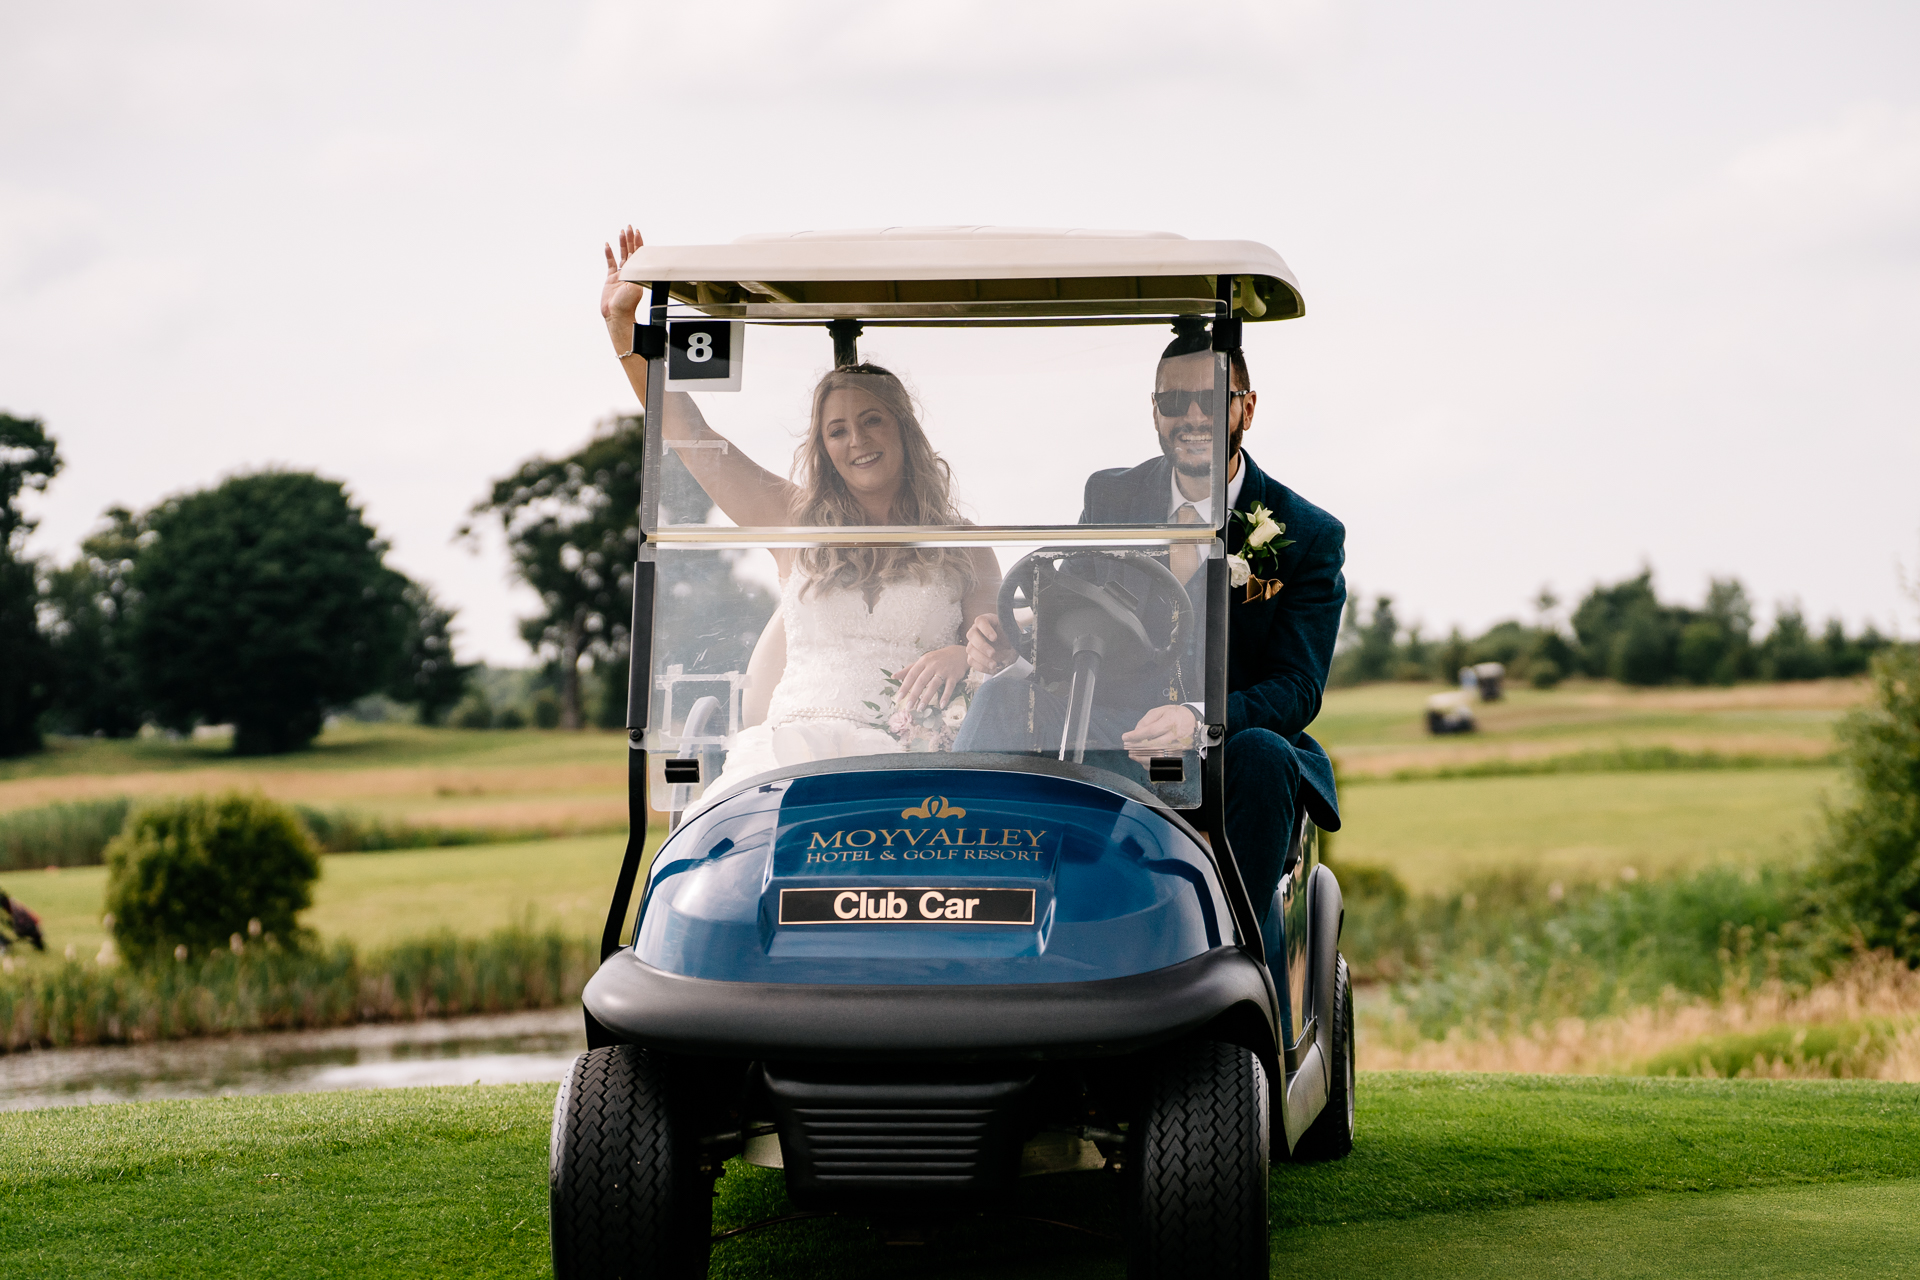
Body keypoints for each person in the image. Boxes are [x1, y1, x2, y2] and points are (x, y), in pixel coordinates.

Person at [954, 320, 1345, 912]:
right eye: (1173, 400)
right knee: (1003, 699)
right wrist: (1015, 639)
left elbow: (1296, 687)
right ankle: (965, 895)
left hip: (1224, 746)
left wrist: (1198, 718)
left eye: (1211, 399)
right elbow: (1076, 604)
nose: (1192, 416)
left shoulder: (1305, 533)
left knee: (1265, 754)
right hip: (1112, 725)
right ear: (1154, 410)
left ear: (1247, 407)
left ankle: (1235, 943)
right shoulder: (1112, 496)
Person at [600, 228, 1000, 796]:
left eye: (872, 421)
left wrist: (964, 653)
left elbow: (995, 642)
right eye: (837, 430)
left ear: (903, 429)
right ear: (824, 447)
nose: (856, 440)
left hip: (899, 756)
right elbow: (689, 432)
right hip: (790, 749)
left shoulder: (961, 542)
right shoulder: (795, 518)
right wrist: (621, 328)